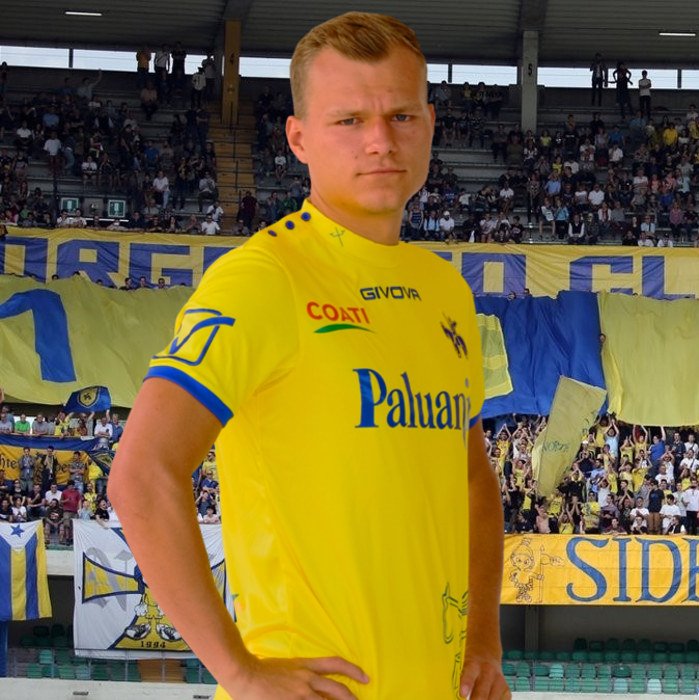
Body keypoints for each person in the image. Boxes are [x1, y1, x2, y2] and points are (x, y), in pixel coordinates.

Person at [109, 12, 508, 700]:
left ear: (430, 124)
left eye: (401, 116)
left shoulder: (445, 290)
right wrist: (238, 670)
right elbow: (141, 475)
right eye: (349, 120)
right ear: (298, 138)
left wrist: (483, 639)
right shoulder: (263, 278)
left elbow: (472, 480)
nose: (380, 141)